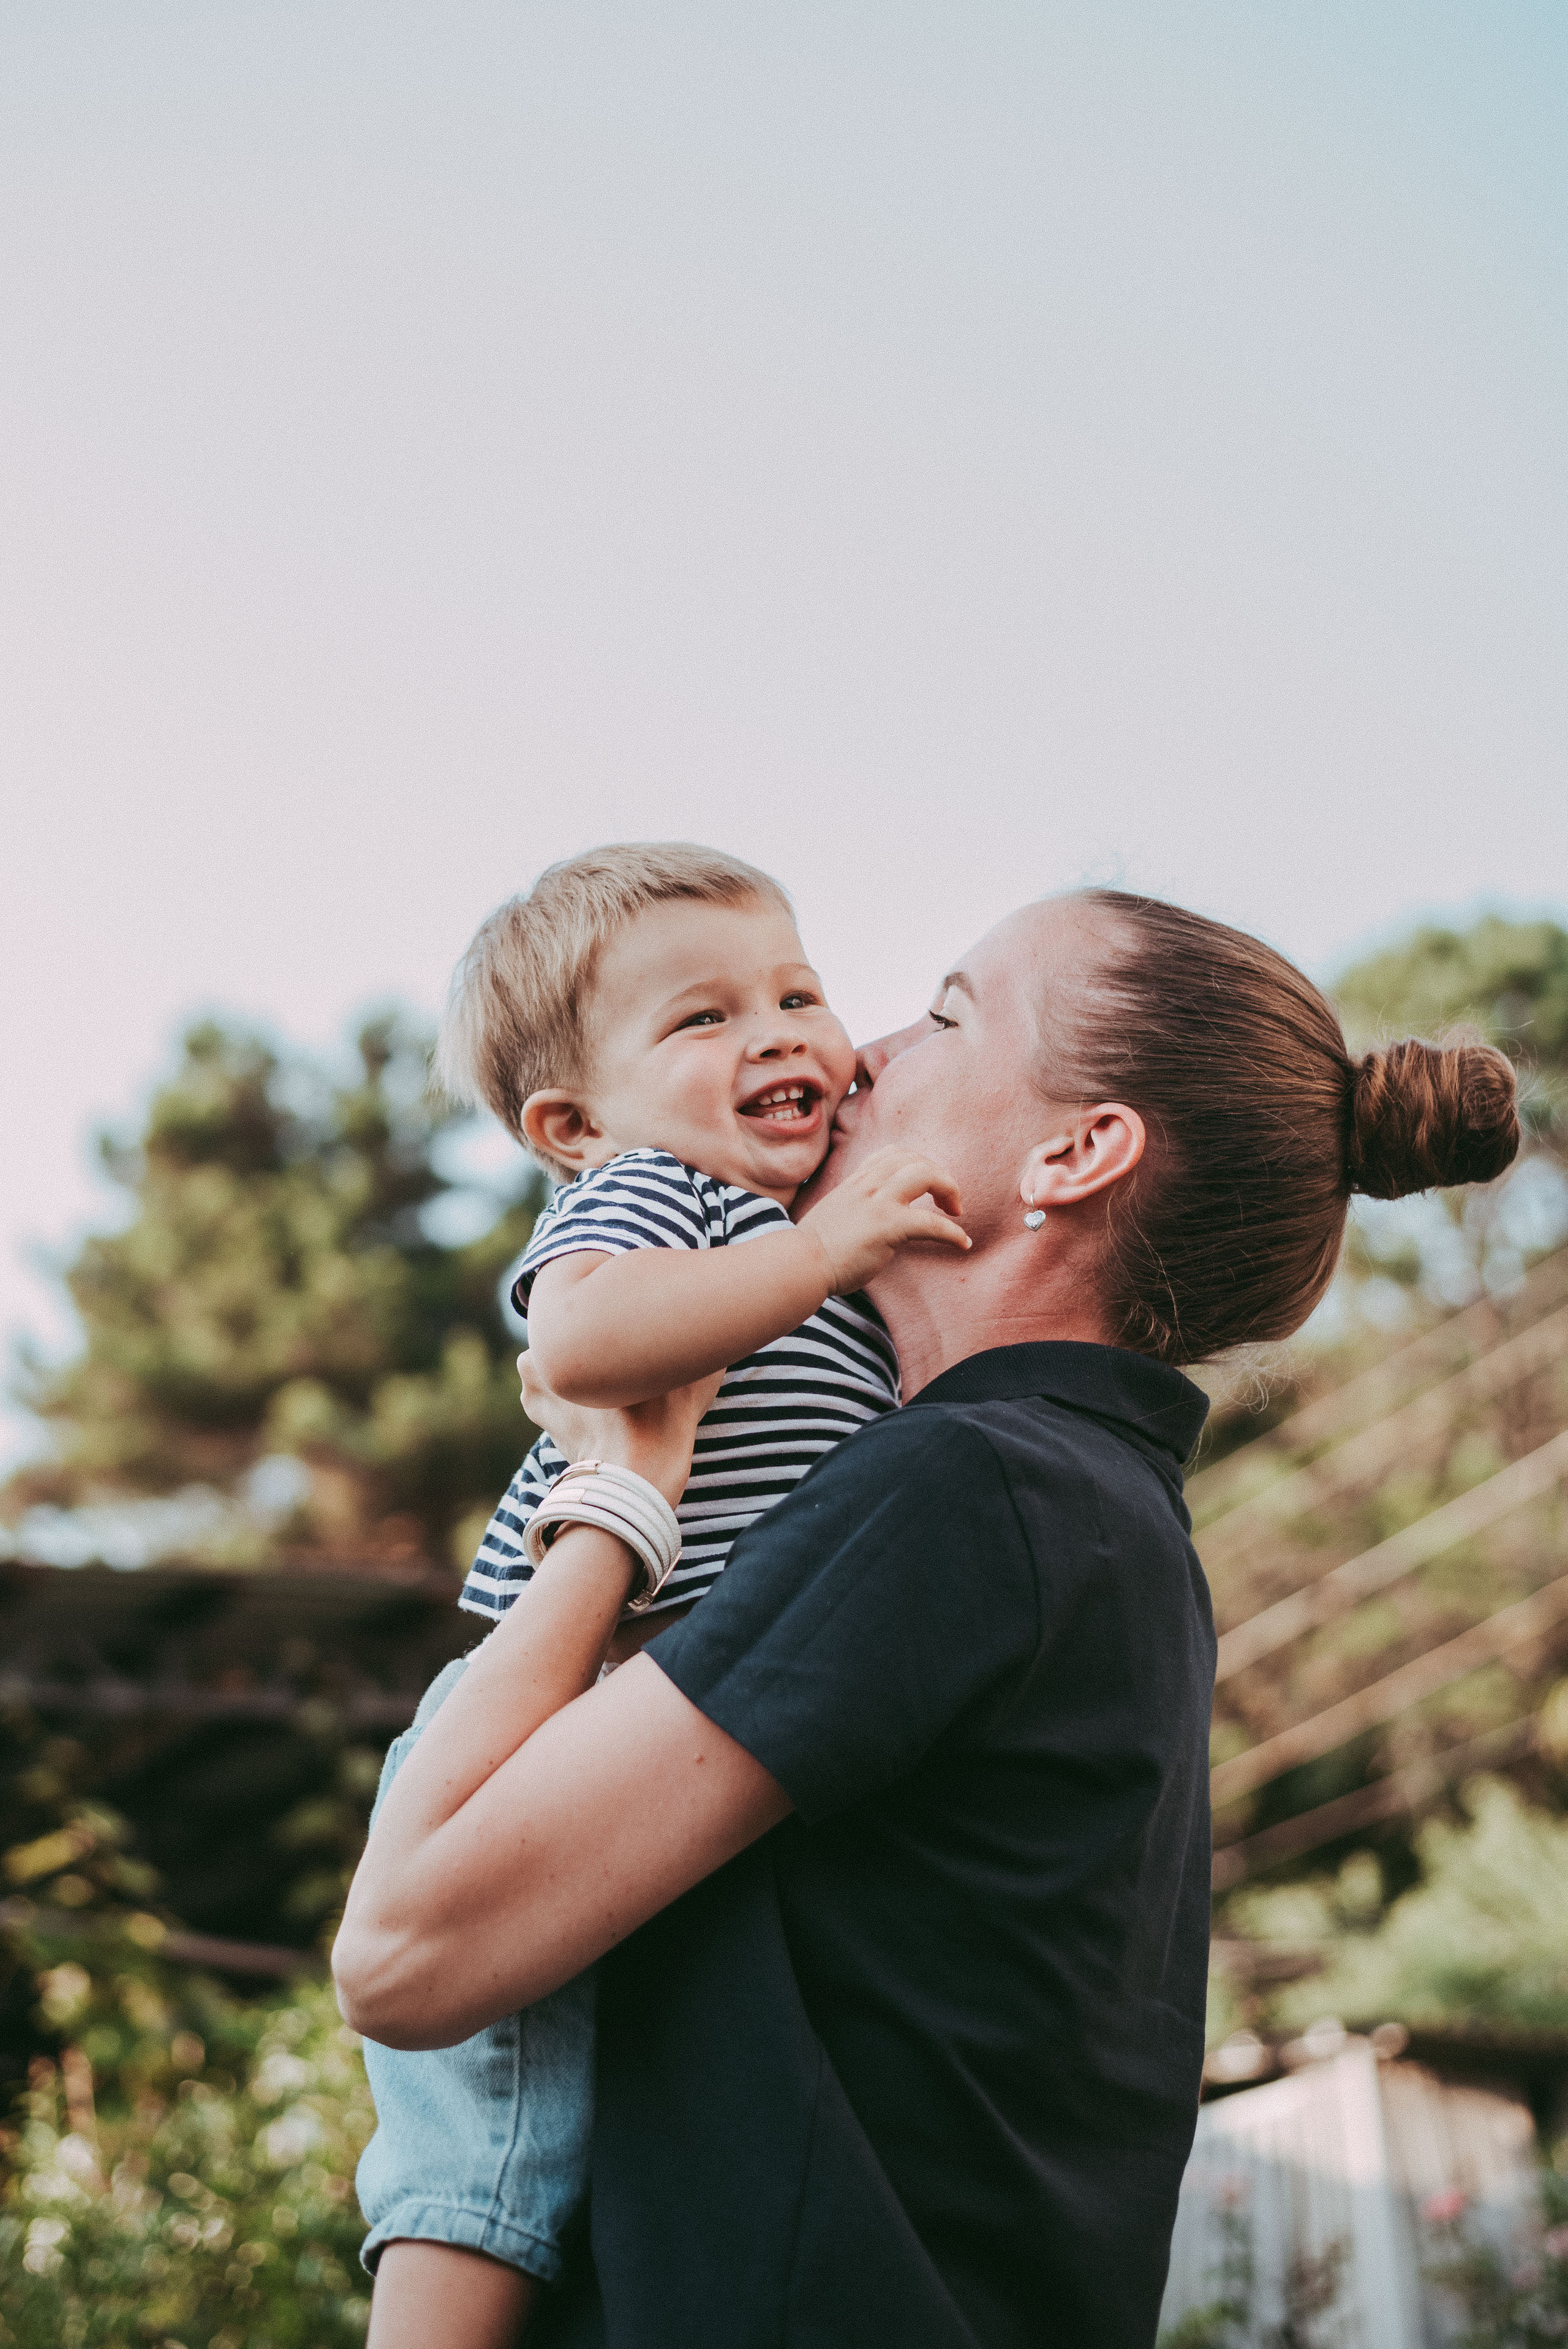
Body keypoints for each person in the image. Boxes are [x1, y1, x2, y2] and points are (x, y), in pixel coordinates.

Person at [335, 888, 1520, 2349]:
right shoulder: (1082, 1510)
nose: (863, 1054)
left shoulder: (970, 1488)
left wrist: (618, 1486)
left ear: (1075, 1153)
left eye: (946, 1013)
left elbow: (402, 1955)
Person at [355, 842, 970, 2349]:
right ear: (570, 1126)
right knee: (495, 2097)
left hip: (680, 1691)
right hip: (549, 1692)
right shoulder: (658, 1200)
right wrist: (824, 1251)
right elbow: (580, 1347)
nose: (774, 1034)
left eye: (795, 992)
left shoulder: (803, 1232)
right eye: (699, 1021)